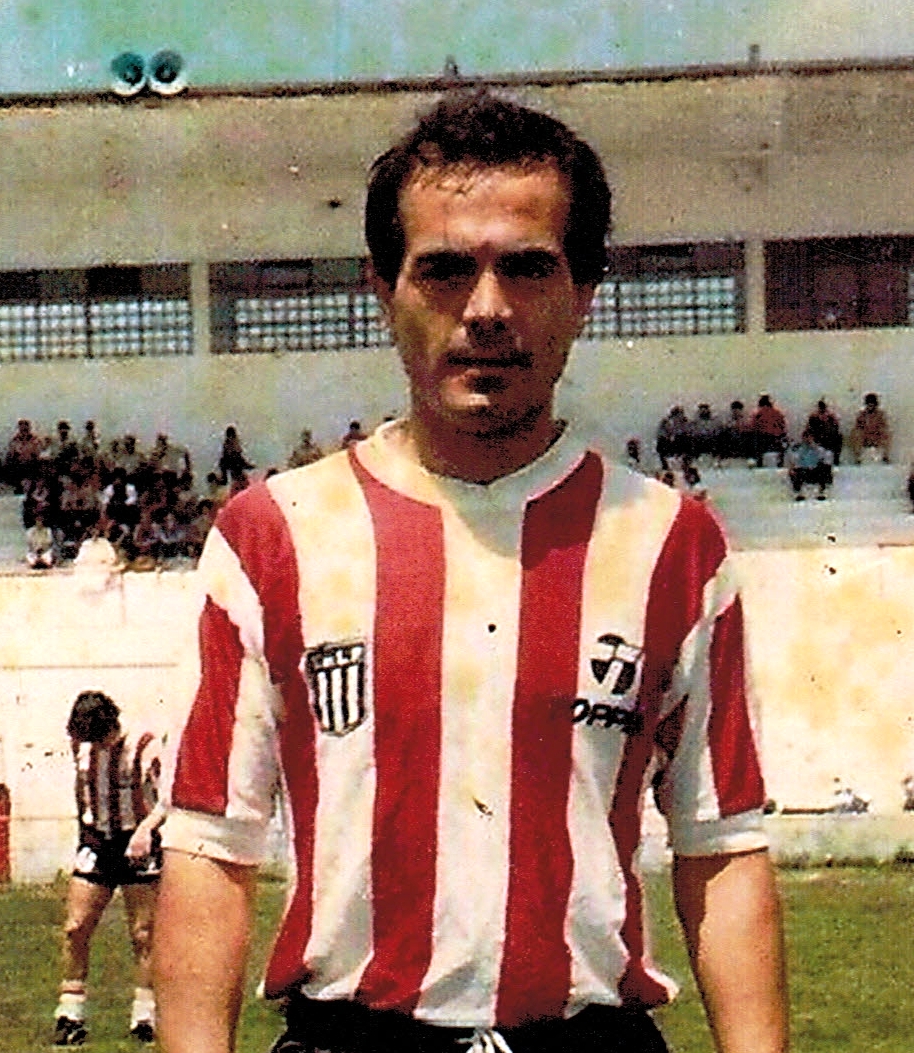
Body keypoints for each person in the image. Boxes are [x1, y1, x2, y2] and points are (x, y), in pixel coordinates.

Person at [154, 90, 788, 1053]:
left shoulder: (673, 543)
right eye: (445, 269)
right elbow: (210, 847)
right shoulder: (273, 534)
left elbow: (722, 846)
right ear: (385, 290)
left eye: (527, 268)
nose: (486, 309)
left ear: (584, 292)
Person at [53, 691, 164, 1046]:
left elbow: (167, 797)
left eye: (99, 739)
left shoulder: (143, 745)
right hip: (98, 842)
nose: (94, 746)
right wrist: (84, 831)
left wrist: (147, 831)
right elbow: (81, 788)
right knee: (76, 927)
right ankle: (70, 1014)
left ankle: (145, 1015)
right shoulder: (83, 746)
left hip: (137, 841)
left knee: (143, 933)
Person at [786, 429, 833, 501]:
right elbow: (794, 461)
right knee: (797, 472)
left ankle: (822, 492)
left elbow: (825, 460)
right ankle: (798, 493)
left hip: (814, 470)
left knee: (824, 469)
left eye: (810, 437)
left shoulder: (819, 449)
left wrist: (815, 448)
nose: (808, 439)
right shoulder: (798, 449)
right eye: (806, 437)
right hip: (802, 470)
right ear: (803, 438)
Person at [848, 392, 891, 463]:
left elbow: (884, 426)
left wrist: (879, 431)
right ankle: (857, 457)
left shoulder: (881, 415)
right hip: (865, 437)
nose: (870, 406)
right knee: (856, 433)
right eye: (869, 404)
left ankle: (885, 456)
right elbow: (858, 427)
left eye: (872, 404)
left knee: (887, 433)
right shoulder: (862, 414)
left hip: (877, 437)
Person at [749, 394, 788, 467]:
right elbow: (783, 426)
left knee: (757, 451)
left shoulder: (758, 413)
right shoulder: (777, 412)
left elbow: (753, 427)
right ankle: (780, 465)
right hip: (776, 439)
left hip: (763, 439)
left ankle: (758, 464)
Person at [805, 400, 842, 467]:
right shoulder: (813, 418)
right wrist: (813, 443)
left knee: (839, 438)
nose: (824, 414)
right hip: (817, 444)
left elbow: (836, 431)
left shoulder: (832, 418)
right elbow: (808, 433)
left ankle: (835, 462)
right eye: (821, 411)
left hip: (830, 443)